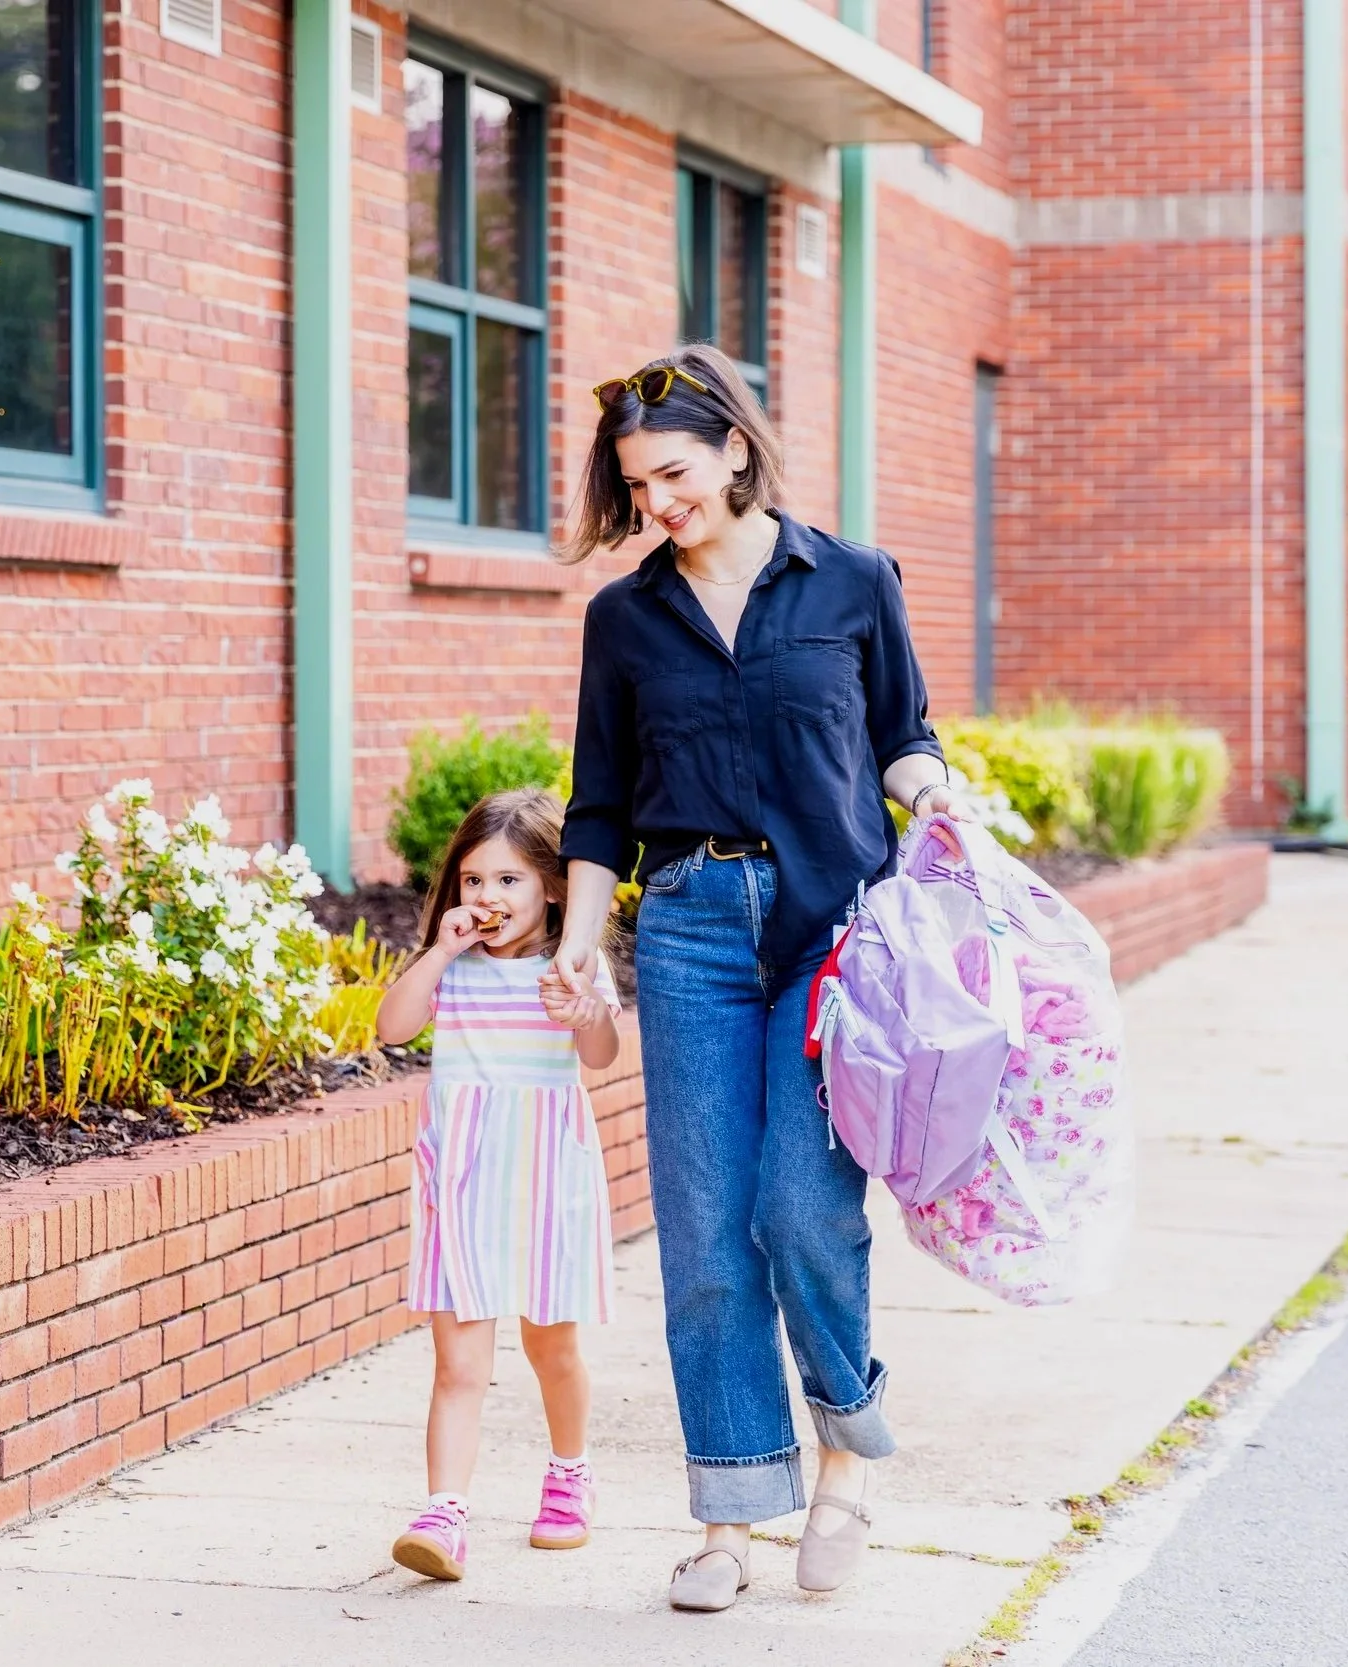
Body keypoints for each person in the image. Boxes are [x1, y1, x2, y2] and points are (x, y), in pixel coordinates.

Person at [543, 344, 971, 1612]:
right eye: (636, 486)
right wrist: (579, 932)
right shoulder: (626, 618)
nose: (657, 503)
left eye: (672, 473)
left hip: (834, 931)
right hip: (685, 928)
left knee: (797, 1208)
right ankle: (731, 1510)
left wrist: (937, 799)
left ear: (735, 447)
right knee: (706, 1235)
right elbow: (599, 801)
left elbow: (902, 735)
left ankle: (845, 1456)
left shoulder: (848, 581)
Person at [375, 788, 625, 1583]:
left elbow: (600, 1055)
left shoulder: (572, 965)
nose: (487, 897)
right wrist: (439, 952)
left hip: (548, 1176)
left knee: (552, 1346)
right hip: (465, 1175)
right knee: (458, 1360)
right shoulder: (452, 967)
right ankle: (443, 1512)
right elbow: (392, 1026)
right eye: (473, 879)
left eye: (510, 880)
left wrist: (580, 1005)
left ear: (553, 886)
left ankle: (569, 1472)